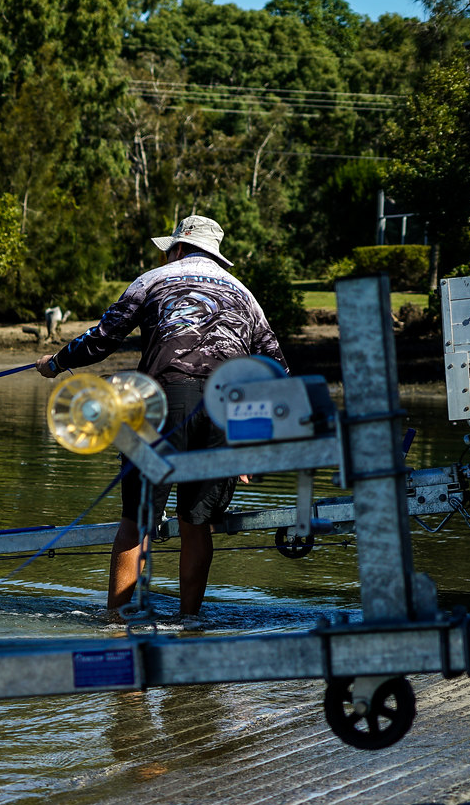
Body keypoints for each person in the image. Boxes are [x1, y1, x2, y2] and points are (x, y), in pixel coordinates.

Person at [37, 214, 285, 626]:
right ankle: (189, 622)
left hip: (160, 403)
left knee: (137, 520)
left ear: (179, 248)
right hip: (224, 410)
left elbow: (103, 338)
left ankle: (116, 623)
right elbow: (276, 372)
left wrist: (56, 362)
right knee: (197, 523)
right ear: (214, 254)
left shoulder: (153, 279)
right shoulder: (247, 297)